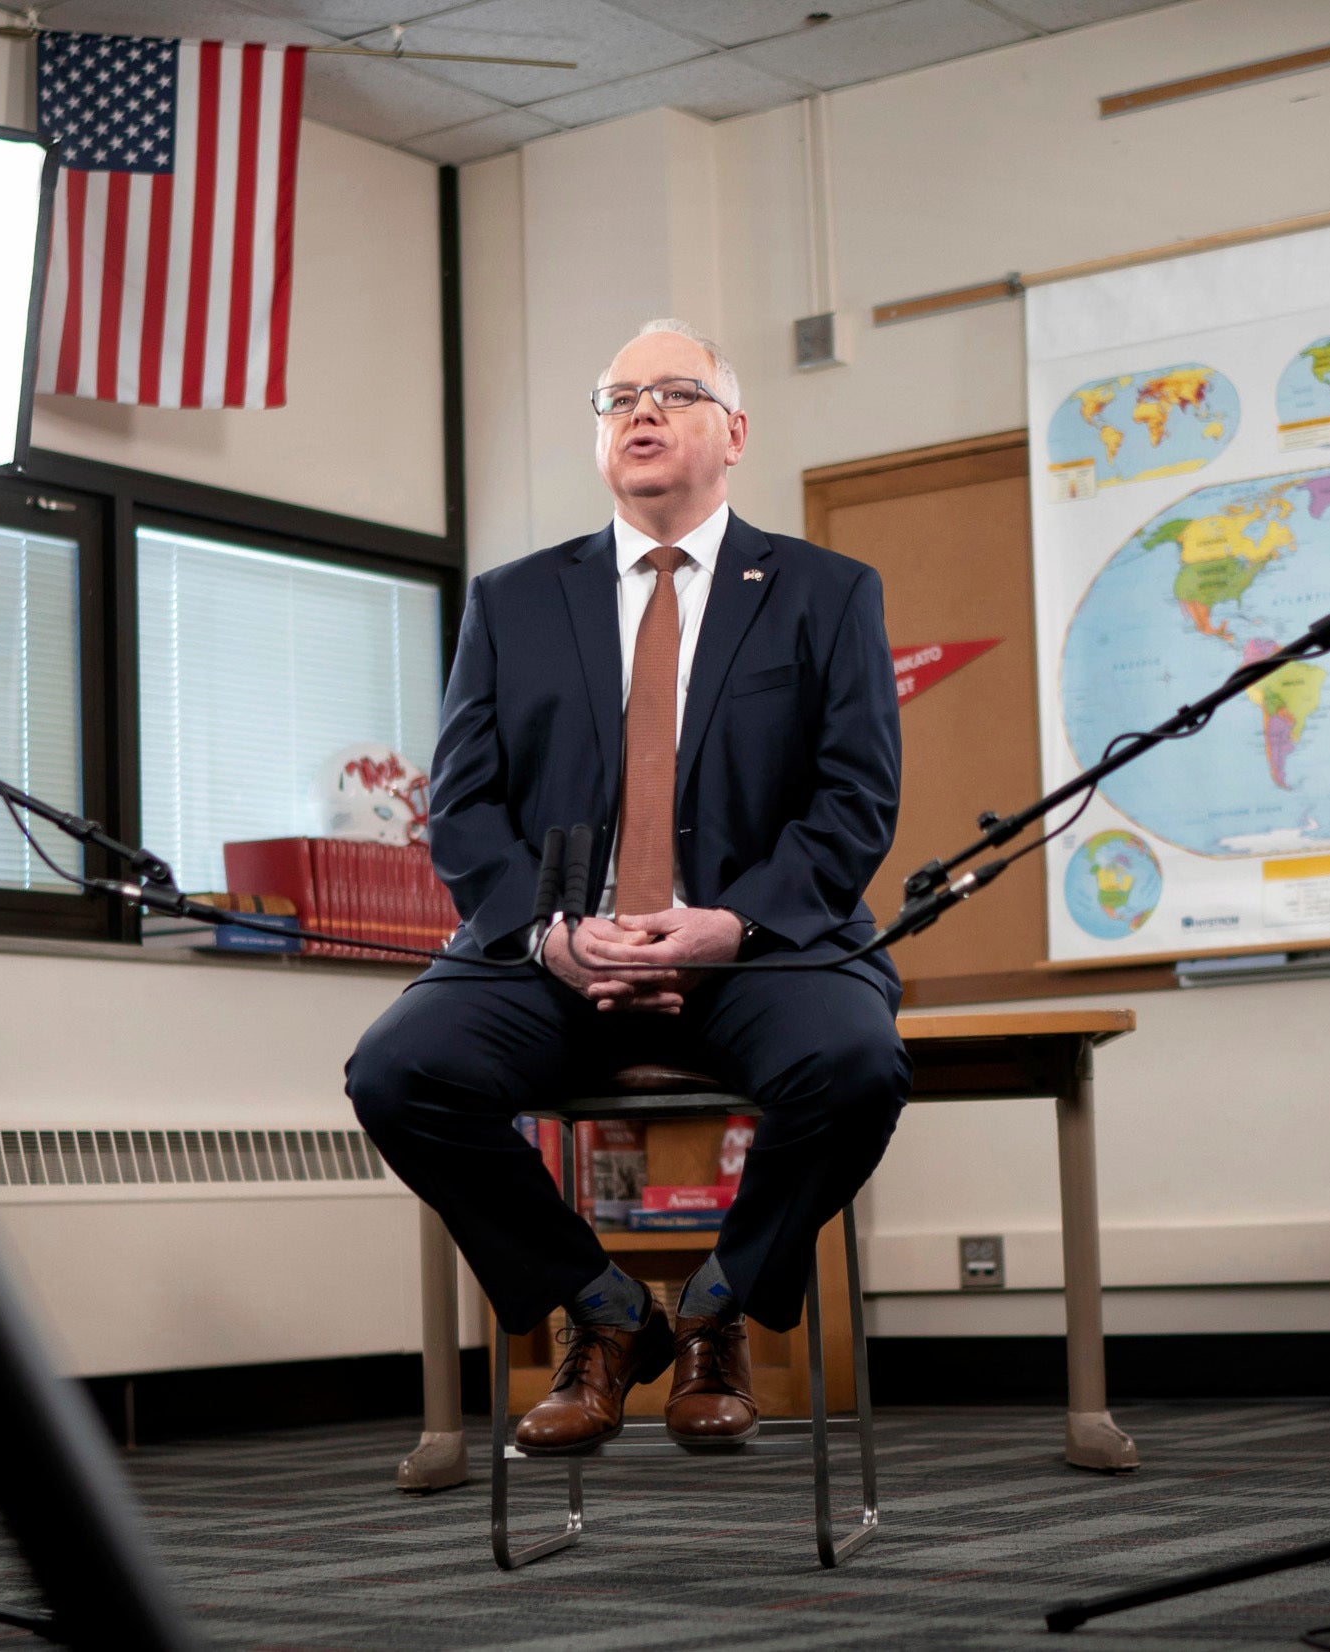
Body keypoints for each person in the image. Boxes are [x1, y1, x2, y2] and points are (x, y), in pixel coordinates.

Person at [348, 320, 909, 1455]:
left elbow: (853, 800)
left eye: (673, 391)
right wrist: (547, 934)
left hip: (758, 946)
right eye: (616, 398)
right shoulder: (510, 601)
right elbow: (462, 808)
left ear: (733, 431)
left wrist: (728, 923)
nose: (639, 411)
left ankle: (716, 1309)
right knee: (400, 1070)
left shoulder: (824, 590)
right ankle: (600, 1310)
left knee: (853, 1065)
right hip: (557, 953)